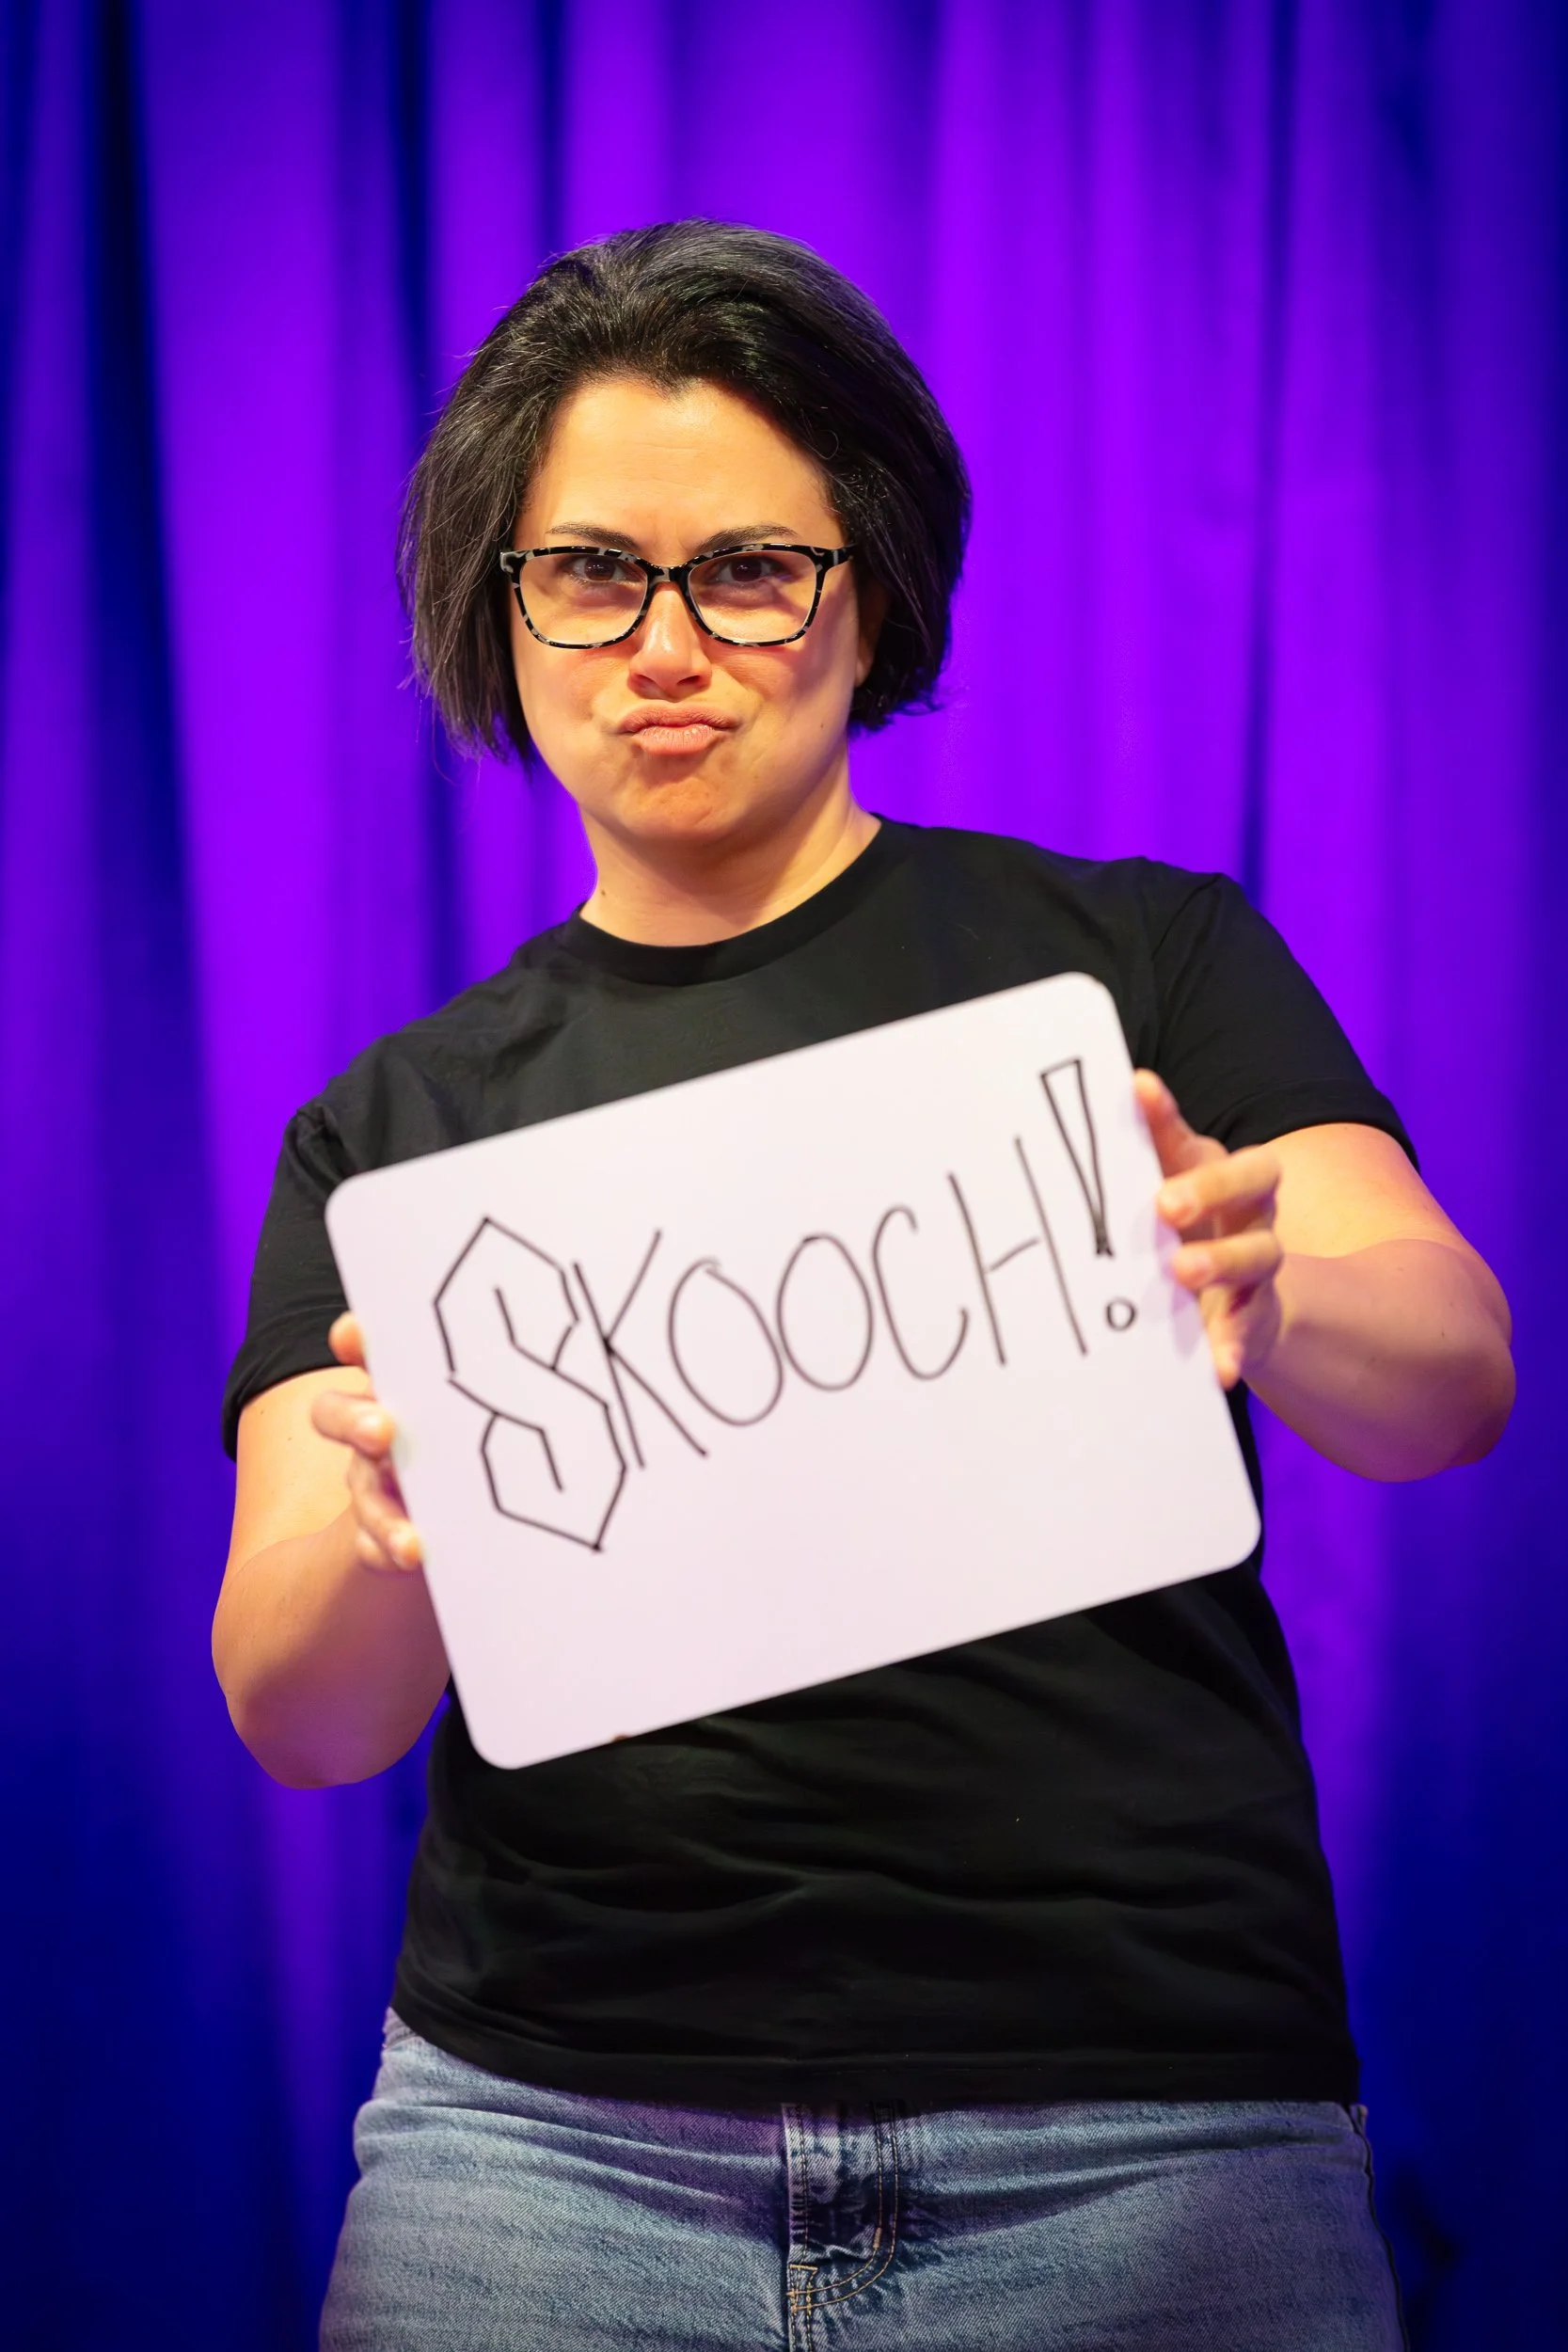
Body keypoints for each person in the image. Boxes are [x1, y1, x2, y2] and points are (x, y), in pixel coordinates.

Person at [214, 221, 1513, 2351]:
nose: (662, 642)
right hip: (547, 2159)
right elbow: (298, 1705)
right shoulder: (398, 1127)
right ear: (500, 608)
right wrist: (379, 1536)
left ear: (865, 591)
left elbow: (1447, 1373)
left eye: (746, 567)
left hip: (1147, 2142)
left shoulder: (1137, 967)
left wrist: (1263, 1283)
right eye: (586, 571)